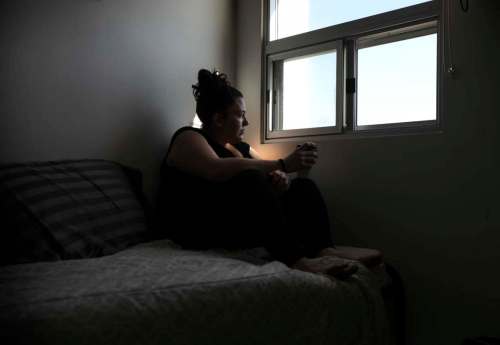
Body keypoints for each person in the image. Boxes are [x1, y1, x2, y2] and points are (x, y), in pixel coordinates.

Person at [156, 69, 362, 279]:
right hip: (197, 227)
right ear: (219, 119)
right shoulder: (189, 137)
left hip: (237, 223)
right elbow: (215, 169)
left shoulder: (242, 148)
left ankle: (324, 249)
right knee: (250, 177)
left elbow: (265, 173)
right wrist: (281, 163)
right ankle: (298, 261)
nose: (246, 123)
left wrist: (279, 179)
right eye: (241, 115)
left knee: (301, 187)